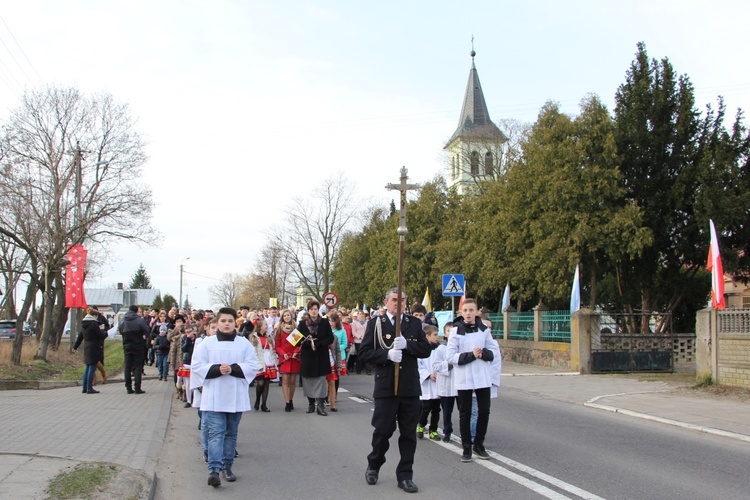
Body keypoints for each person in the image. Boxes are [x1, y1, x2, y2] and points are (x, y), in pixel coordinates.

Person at [358, 287, 431, 494]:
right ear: (386, 302)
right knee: (382, 431)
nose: (398, 304)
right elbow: (364, 354)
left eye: (402, 300)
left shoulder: (414, 324)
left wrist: (408, 345)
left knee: (408, 434)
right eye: (394, 300)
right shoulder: (376, 324)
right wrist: (387, 355)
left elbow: (426, 350)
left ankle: (405, 475)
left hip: (409, 387)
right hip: (386, 386)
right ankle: (374, 464)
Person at [191, 307, 257, 487]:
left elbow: (253, 364)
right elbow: (196, 365)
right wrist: (216, 369)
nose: (227, 324)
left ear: (235, 323)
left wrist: (234, 369)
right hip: (214, 395)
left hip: (235, 395)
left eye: (230, 321)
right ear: (217, 323)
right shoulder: (206, 343)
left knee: (230, 434)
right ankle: (214, 470)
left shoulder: (243, 343)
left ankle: (227, 466)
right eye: (223, 321)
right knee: (215, 434)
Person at [446, 298, 501, 462]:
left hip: (482, 376)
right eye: (465, 310)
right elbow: (450, 356)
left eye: (471, 310)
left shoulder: (484, 329)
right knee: (465, 413)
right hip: (464, 376)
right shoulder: (456, 331)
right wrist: (471, 355)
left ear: (477, 312)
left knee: (484, 411)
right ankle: (466, 448)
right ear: (461, 312)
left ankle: (479, 444)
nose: (468, 313)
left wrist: (483, 354)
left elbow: (493, 351)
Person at [297, 300, 334, 416]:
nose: (314, 311)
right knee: (308, 381)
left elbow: (330, 338)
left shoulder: (324, 322)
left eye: (315, 309)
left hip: (321, 355)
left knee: (322, 380)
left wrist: (320, 343)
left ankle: (321, 405)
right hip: (308, 356)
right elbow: (295, 339)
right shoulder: (302, 324)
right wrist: (306, 343)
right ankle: (311, 403)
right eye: (311, 309)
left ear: (319, 310)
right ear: (308, 311)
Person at [73, 307, 108, 394]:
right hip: (94, 347)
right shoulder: (93, 324)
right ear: (94, 315)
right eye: (97, 316)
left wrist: (75, 347)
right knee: (92, 368)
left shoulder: (84, 324)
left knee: (88, 367)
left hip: (87, 346)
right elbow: (100, 335)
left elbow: (80, 336)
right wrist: (106, 333)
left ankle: (84, 387)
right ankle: (89, 388)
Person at [416, 324, 441, 440]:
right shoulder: (420, 349)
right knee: (426, 407)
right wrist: (428, 375)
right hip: (426, 383)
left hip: (437, 383)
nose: (437, 337)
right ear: (427, 336)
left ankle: (433, 430)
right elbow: (419, 366)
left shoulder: (439, 349)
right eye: (435, 335)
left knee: (436, 409)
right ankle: (421, 424)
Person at [434, 323, 457, 442]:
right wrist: (449, 364)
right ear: (445, 334)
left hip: (459, 384)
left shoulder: (460, 348)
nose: (452, 333)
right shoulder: (441, 349)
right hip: (447, 385)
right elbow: (436, 366)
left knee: (464, 411)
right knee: (447, 411)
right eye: (449, 331)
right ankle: (447, 431)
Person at [275, 309, 301, 411]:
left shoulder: (295, 329)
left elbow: (298, 344)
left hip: (294, 357)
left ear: (291, 316)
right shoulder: (279, 330)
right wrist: (283, 354)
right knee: (285, 379)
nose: (286, 317)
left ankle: (291, 399)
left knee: (293, 380)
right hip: (284, 358)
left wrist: (296, 351)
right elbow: (277, 345)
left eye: (288, 315)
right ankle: (287, 402)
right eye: (284, 315)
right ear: (282, 317)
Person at [120, 305, 149, 394]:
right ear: (136, 312)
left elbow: (120, 331)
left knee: (127, 367)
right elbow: (147, 330)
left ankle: (128, 388)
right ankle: (137, 388)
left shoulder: (123, 320)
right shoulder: (140, 320)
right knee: (137, 366)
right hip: (138, 345)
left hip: (127, 345)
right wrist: (144, 336)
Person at [248, 318, 275, 412]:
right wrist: (257, 362)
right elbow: (253, 352)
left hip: (269, 361)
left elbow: (272, 349)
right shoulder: (254, 337)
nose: (267, 326)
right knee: (260, 382)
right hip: (260, 361)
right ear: (260, 327)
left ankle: (264, 404)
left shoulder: (269, 336)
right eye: (265, 325)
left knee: (267, 383)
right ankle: (257, 400)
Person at [326, 332, 342, 412]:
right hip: (321, 363)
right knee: (322, 383)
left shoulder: (334, 337)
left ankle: (332, 405)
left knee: (332, 383)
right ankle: (321, 401)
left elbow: (338, 351)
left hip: (332, 362)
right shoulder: (317, 335)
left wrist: (339, 364)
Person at [350, 310, 368, 374]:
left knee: (366, 354)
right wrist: (360, 337)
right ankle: (358, 369)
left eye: (362, 314)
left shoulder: (367, 322)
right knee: (359, 354)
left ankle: (367, 369)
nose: (361, 315)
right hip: (358, 340)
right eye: (360, 314)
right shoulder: (355, 323)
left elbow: (369, 331)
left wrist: (366, 337)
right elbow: (353, 332)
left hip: (366, 340)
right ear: (357, 315)